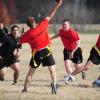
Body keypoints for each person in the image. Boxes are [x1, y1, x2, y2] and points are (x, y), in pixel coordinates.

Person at [20, 0, 62, 94]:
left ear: (27, 25)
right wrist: (58, 5)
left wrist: (23, 32)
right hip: (46, 51)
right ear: (34, 21)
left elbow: (19, 40)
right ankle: (54, 84)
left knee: (31, 73)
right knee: (52, 70)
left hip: (36, 54)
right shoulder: (42, 25)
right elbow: (51, 14)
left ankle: (25, 90)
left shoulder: (27, 34)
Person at [51, 19, 84, 84]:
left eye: (65, 24)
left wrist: (72, 52)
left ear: (69, 25)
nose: (64, 26)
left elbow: (78, 43)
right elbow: (58, 35)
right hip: (67, 50)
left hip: (76, 51)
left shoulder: (72, 33)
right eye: (63, 24)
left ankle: (83, 70)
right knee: (67, 64)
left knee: (77, 67)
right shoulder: (61, 31)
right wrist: (50, 39)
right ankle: (71, 78)